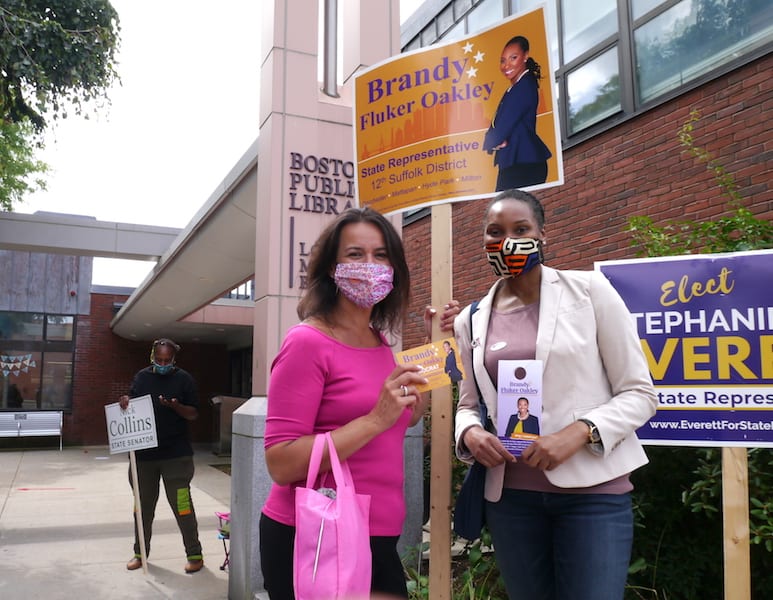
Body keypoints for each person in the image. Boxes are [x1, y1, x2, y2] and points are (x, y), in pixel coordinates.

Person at [453, 189, 657, 600]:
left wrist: (579, 432)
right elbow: (468, 406)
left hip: (592, 498)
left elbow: (639, 393)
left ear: (543, 235)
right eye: (495, 232)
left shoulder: (590, 292)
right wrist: (470, 435)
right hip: (511, 500)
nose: (507, 241)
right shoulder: (470, 319)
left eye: (520, 229)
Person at [259, 207, 457, 600]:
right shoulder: (307, 342)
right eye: (355, 254)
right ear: (332, 267)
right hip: (318, 535)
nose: (370, 265)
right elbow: (280, 463)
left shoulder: (380, 342)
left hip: (378, 534)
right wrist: (373, 420)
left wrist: (440, 345)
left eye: (381, 255)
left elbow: (403, 414)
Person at [118, 338, 204, 574]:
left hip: (177, 456)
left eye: (167, 360)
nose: (163, 363)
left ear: (174, 359)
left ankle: (194, 554)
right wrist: (125, 404)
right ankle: (140, 553)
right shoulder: (142, 378)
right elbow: (131, 406)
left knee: (182, 505)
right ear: (152, 356)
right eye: (159, 359)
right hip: (144, 458)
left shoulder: (184, 379)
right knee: (142, 508)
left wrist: (176, 406)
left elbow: (194, 414)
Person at [482, 36, 552, 191]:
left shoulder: (524, 86)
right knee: (504, 211)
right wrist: (494, 140)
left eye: (513, 58)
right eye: (503, 60)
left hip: (524, 162)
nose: (506, 65)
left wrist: (491, 140)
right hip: (515, 161)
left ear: (525, 56)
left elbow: (503, 125)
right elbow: (499, 125)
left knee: (506, 211)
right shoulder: (515, 88)